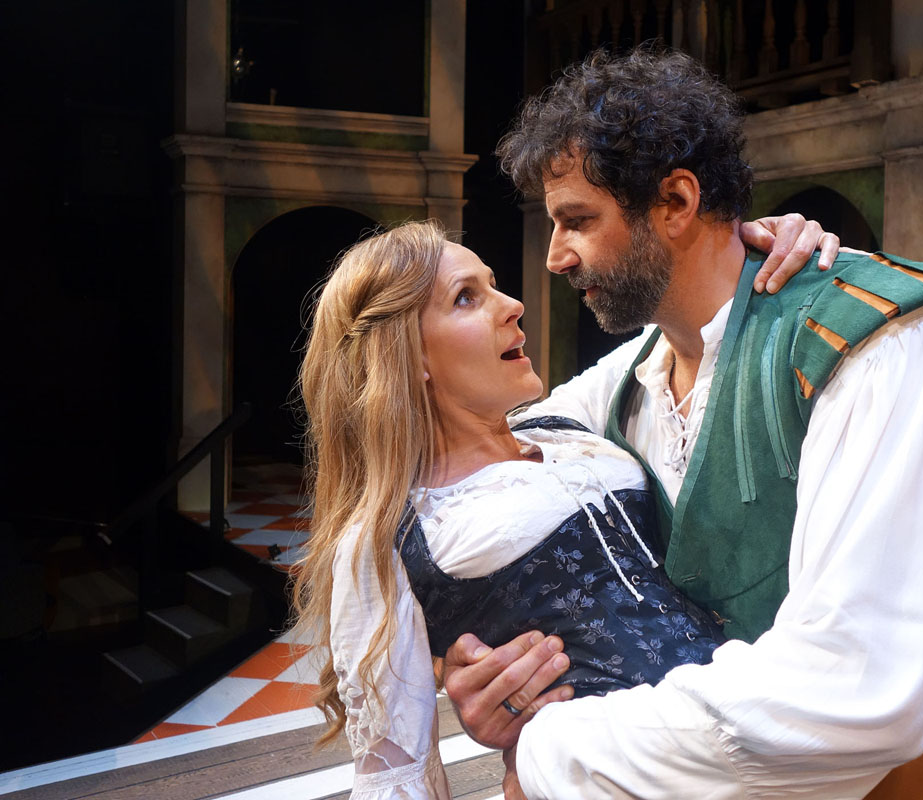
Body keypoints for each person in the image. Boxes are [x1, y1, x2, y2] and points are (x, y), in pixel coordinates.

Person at [441, 47, 923, 800]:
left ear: (676, 202)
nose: (556, 259)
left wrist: (552, 749)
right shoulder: (628, 382)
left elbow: (854, 688)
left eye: (577, 221)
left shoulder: (885, 349)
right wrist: (487, 673)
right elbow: (485, 454)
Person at [291, 216, 829, 798]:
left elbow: (697, 323)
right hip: (609, 774)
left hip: (745, 725)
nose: (512, 305)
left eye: (493, 285)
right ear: (405, 354)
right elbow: (395, 773)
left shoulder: (563, 423)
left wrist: (755, 242)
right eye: (466, 297)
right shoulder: (384, 536)